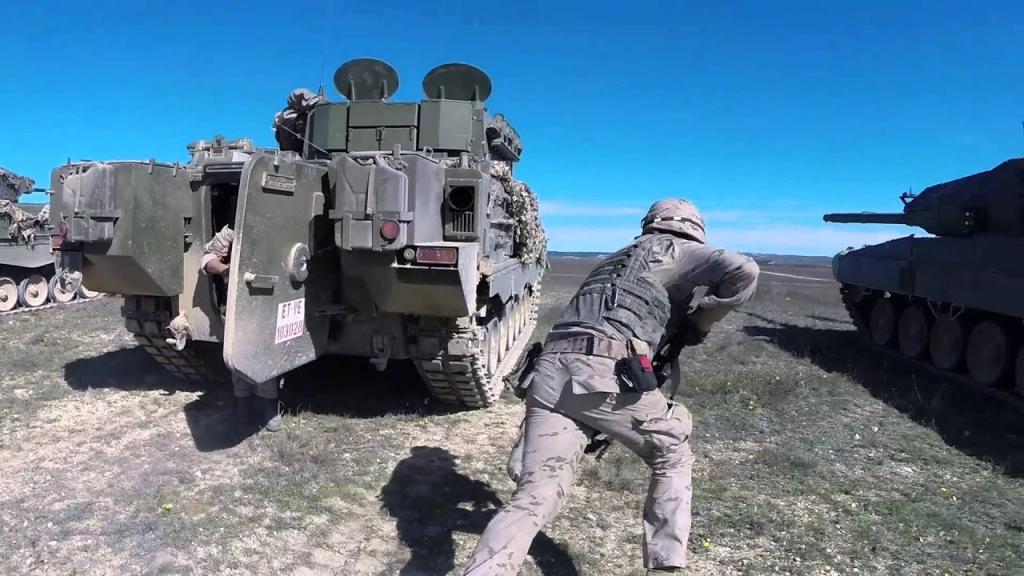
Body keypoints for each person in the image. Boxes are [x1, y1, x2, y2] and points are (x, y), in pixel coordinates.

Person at [462, 199, 760, 575]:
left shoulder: (615, 259)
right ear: (692, 228)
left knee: (533, 497)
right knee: (672, 453)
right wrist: (700, 324)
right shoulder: (676, 248)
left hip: (550, 375)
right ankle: (666, 565)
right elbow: (745, 271)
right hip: (602, 371)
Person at [200, 223, 283, 433]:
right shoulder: (233, 230)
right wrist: (226, 270)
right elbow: (207, 259)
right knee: (238, 355)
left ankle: (268, 407)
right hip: (238, 303)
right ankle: (243, 405)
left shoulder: (280, 225)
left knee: (267, 356)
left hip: (270, 301)